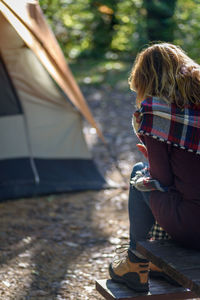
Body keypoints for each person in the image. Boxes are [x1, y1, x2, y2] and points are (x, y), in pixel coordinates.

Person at [109, 43, 200, 293]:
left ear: (145, 79)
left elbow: (161, 179)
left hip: (193, 227)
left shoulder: (155, 112)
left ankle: (135, 264)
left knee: (140, 173)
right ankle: (160, 262)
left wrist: (151, 158)